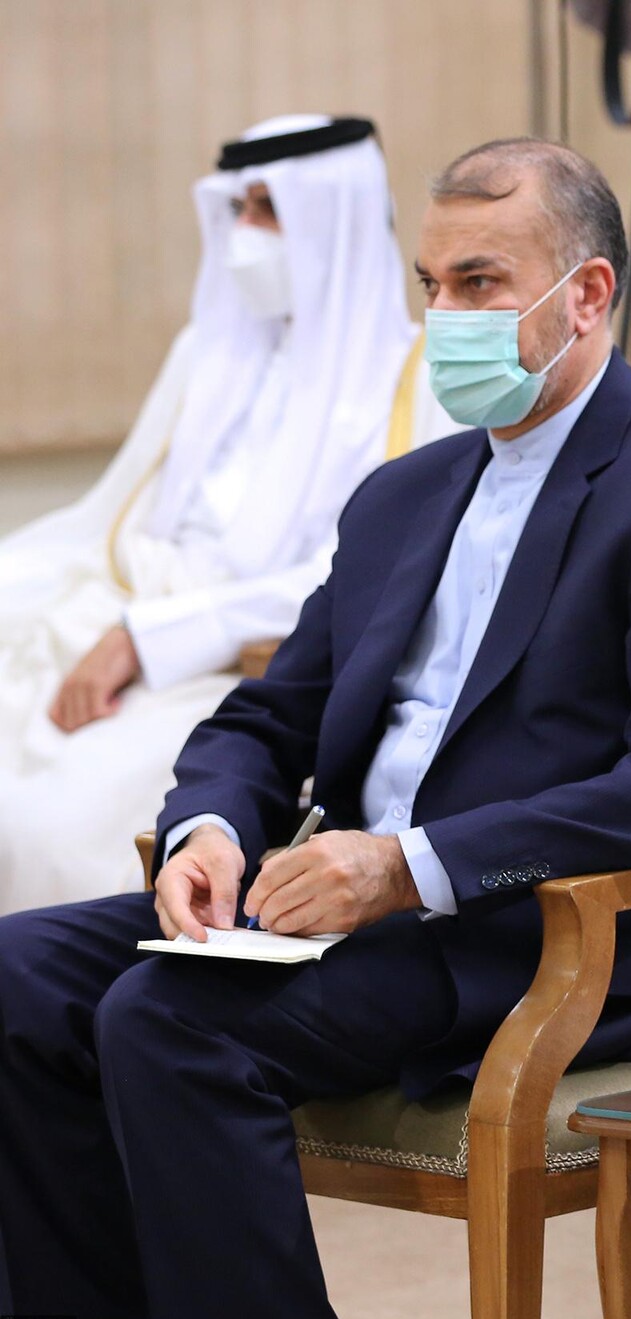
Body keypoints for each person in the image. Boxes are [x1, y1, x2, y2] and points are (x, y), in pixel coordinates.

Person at [0, 137, 631, 1319]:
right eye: (431, 285)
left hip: (535, 928)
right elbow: (266, 715)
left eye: (481, 283)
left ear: (587, 294)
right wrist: (208, 830)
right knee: (17, 975)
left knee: (166, 1022)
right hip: (334, 911)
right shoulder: (403, 493)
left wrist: (404, 865)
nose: (446, 318)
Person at [0, 113, 454, 915]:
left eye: (268, 209)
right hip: (119, 625)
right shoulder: (205, 352)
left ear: (331, 217)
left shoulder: (415, 381)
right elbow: (118, 520)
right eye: (237, 208)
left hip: (242, 669)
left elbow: (361, 583)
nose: (244, 233)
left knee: (51, 824)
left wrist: (151, 636)